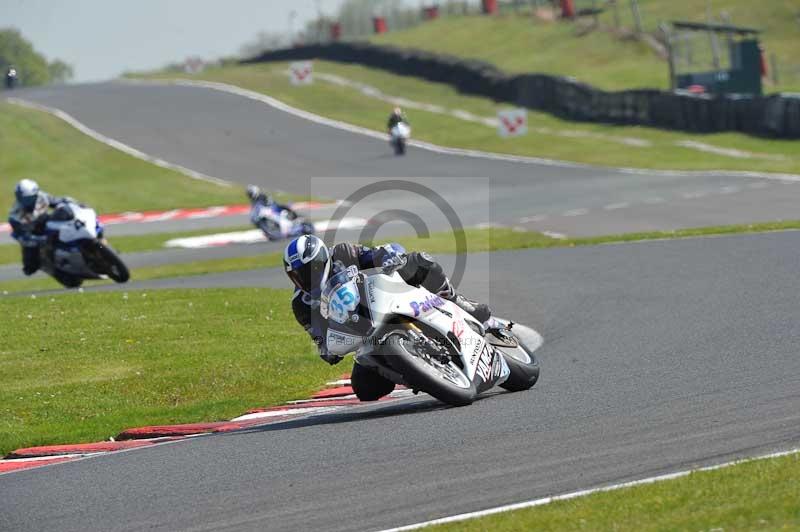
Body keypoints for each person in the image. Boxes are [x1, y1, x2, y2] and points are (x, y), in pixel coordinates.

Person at [284, 235, 492, 370]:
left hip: (380, 300)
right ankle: (417, 372)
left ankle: (459, 302)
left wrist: (390, 256)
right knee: (365, 390)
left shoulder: (343, 253)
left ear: (322, 259)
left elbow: (377, 253)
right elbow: (320, 340)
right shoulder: (301, 305)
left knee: (419, 261)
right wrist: (328, 351)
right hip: (363, 338)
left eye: (310, 269)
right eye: (298, 275)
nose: (305, 278)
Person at [7, 179, 71, 275]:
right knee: (30, 268)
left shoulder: (41, 196)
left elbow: (57, 201)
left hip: (46, 223)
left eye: (31, 198)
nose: (29, 201)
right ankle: (51, 268)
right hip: (31, 235)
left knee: (63, 214)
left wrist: (71, 202)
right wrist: (40, 239)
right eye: (25, 199)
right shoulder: (15, 216)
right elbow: (23, 236)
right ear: (18, 197)